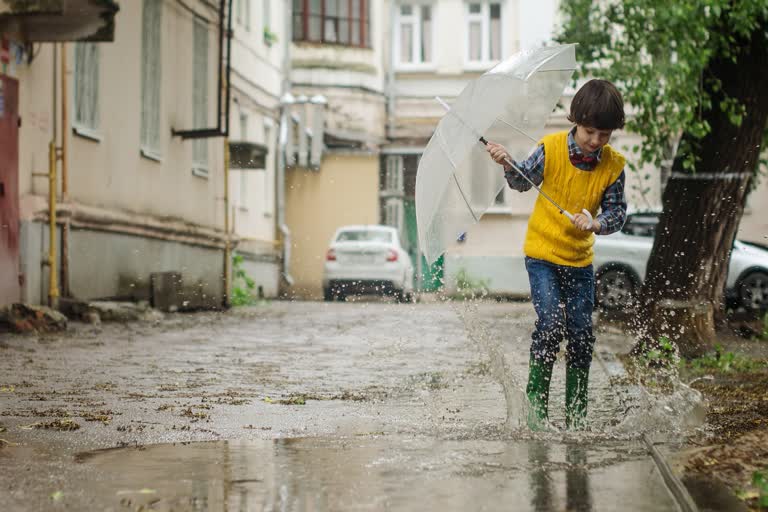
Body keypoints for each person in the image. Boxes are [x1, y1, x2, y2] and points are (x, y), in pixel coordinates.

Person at [486, 79, 628, 430]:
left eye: (604, 135)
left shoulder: (613, 166)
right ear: (575, 121)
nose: (595, 141)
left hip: (579, 261)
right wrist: (507, 163)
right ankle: (537, 417)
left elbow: (618, 214)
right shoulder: (549, 149)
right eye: (590, 132)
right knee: (550, 326)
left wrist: (595, 223)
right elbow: (521, 182)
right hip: (542, 256)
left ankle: (576, 419)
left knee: (581, 334)